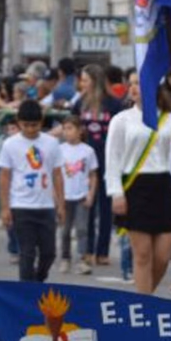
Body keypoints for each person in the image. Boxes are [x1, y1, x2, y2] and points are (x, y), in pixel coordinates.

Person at [105, 75, 171, 294]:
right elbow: (113, 158)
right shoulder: (121, 120)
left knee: (163, 256)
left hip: (165, 185)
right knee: (142, 255)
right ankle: (144, 303)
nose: (133, 87)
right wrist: (116, 192)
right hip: (136, 185)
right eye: (131, 83)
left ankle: (145, 295)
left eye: (139, 82)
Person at [0, 98, 66, 283]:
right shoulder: (10, 144)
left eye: (34, 125)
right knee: (27, 253)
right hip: (21, 206)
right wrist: (5, 208)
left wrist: (61, 204)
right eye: (25, 125)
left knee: (49, 253)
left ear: (41, 122)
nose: (30, 129)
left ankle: (38, 280)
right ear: (19, 122)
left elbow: (57, 175)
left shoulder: (51, 143)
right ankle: (26, 290)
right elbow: (4, 177)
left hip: (46, 206)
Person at [72, 64, 122, 266]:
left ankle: (103, 251)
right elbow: (72, 126)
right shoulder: (80, 103)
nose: (82, 84)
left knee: (106, 208)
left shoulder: (114, 104)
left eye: (85, 80)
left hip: (108, 160)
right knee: (88, 205)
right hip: (85, 163)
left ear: (94, 81)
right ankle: (88, 249)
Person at [57, 115, 99, 275]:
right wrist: (56, 197)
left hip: (81, 196)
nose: (67, 132)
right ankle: (65, 258)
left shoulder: (88, 151)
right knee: (65, 230)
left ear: (80, 130)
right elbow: (56, 174)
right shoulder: (60, 150)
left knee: (82, 229)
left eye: (70, 128)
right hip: (65, 196)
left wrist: (91, 194)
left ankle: (82, 259)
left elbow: (93, 175)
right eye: (64, 129)